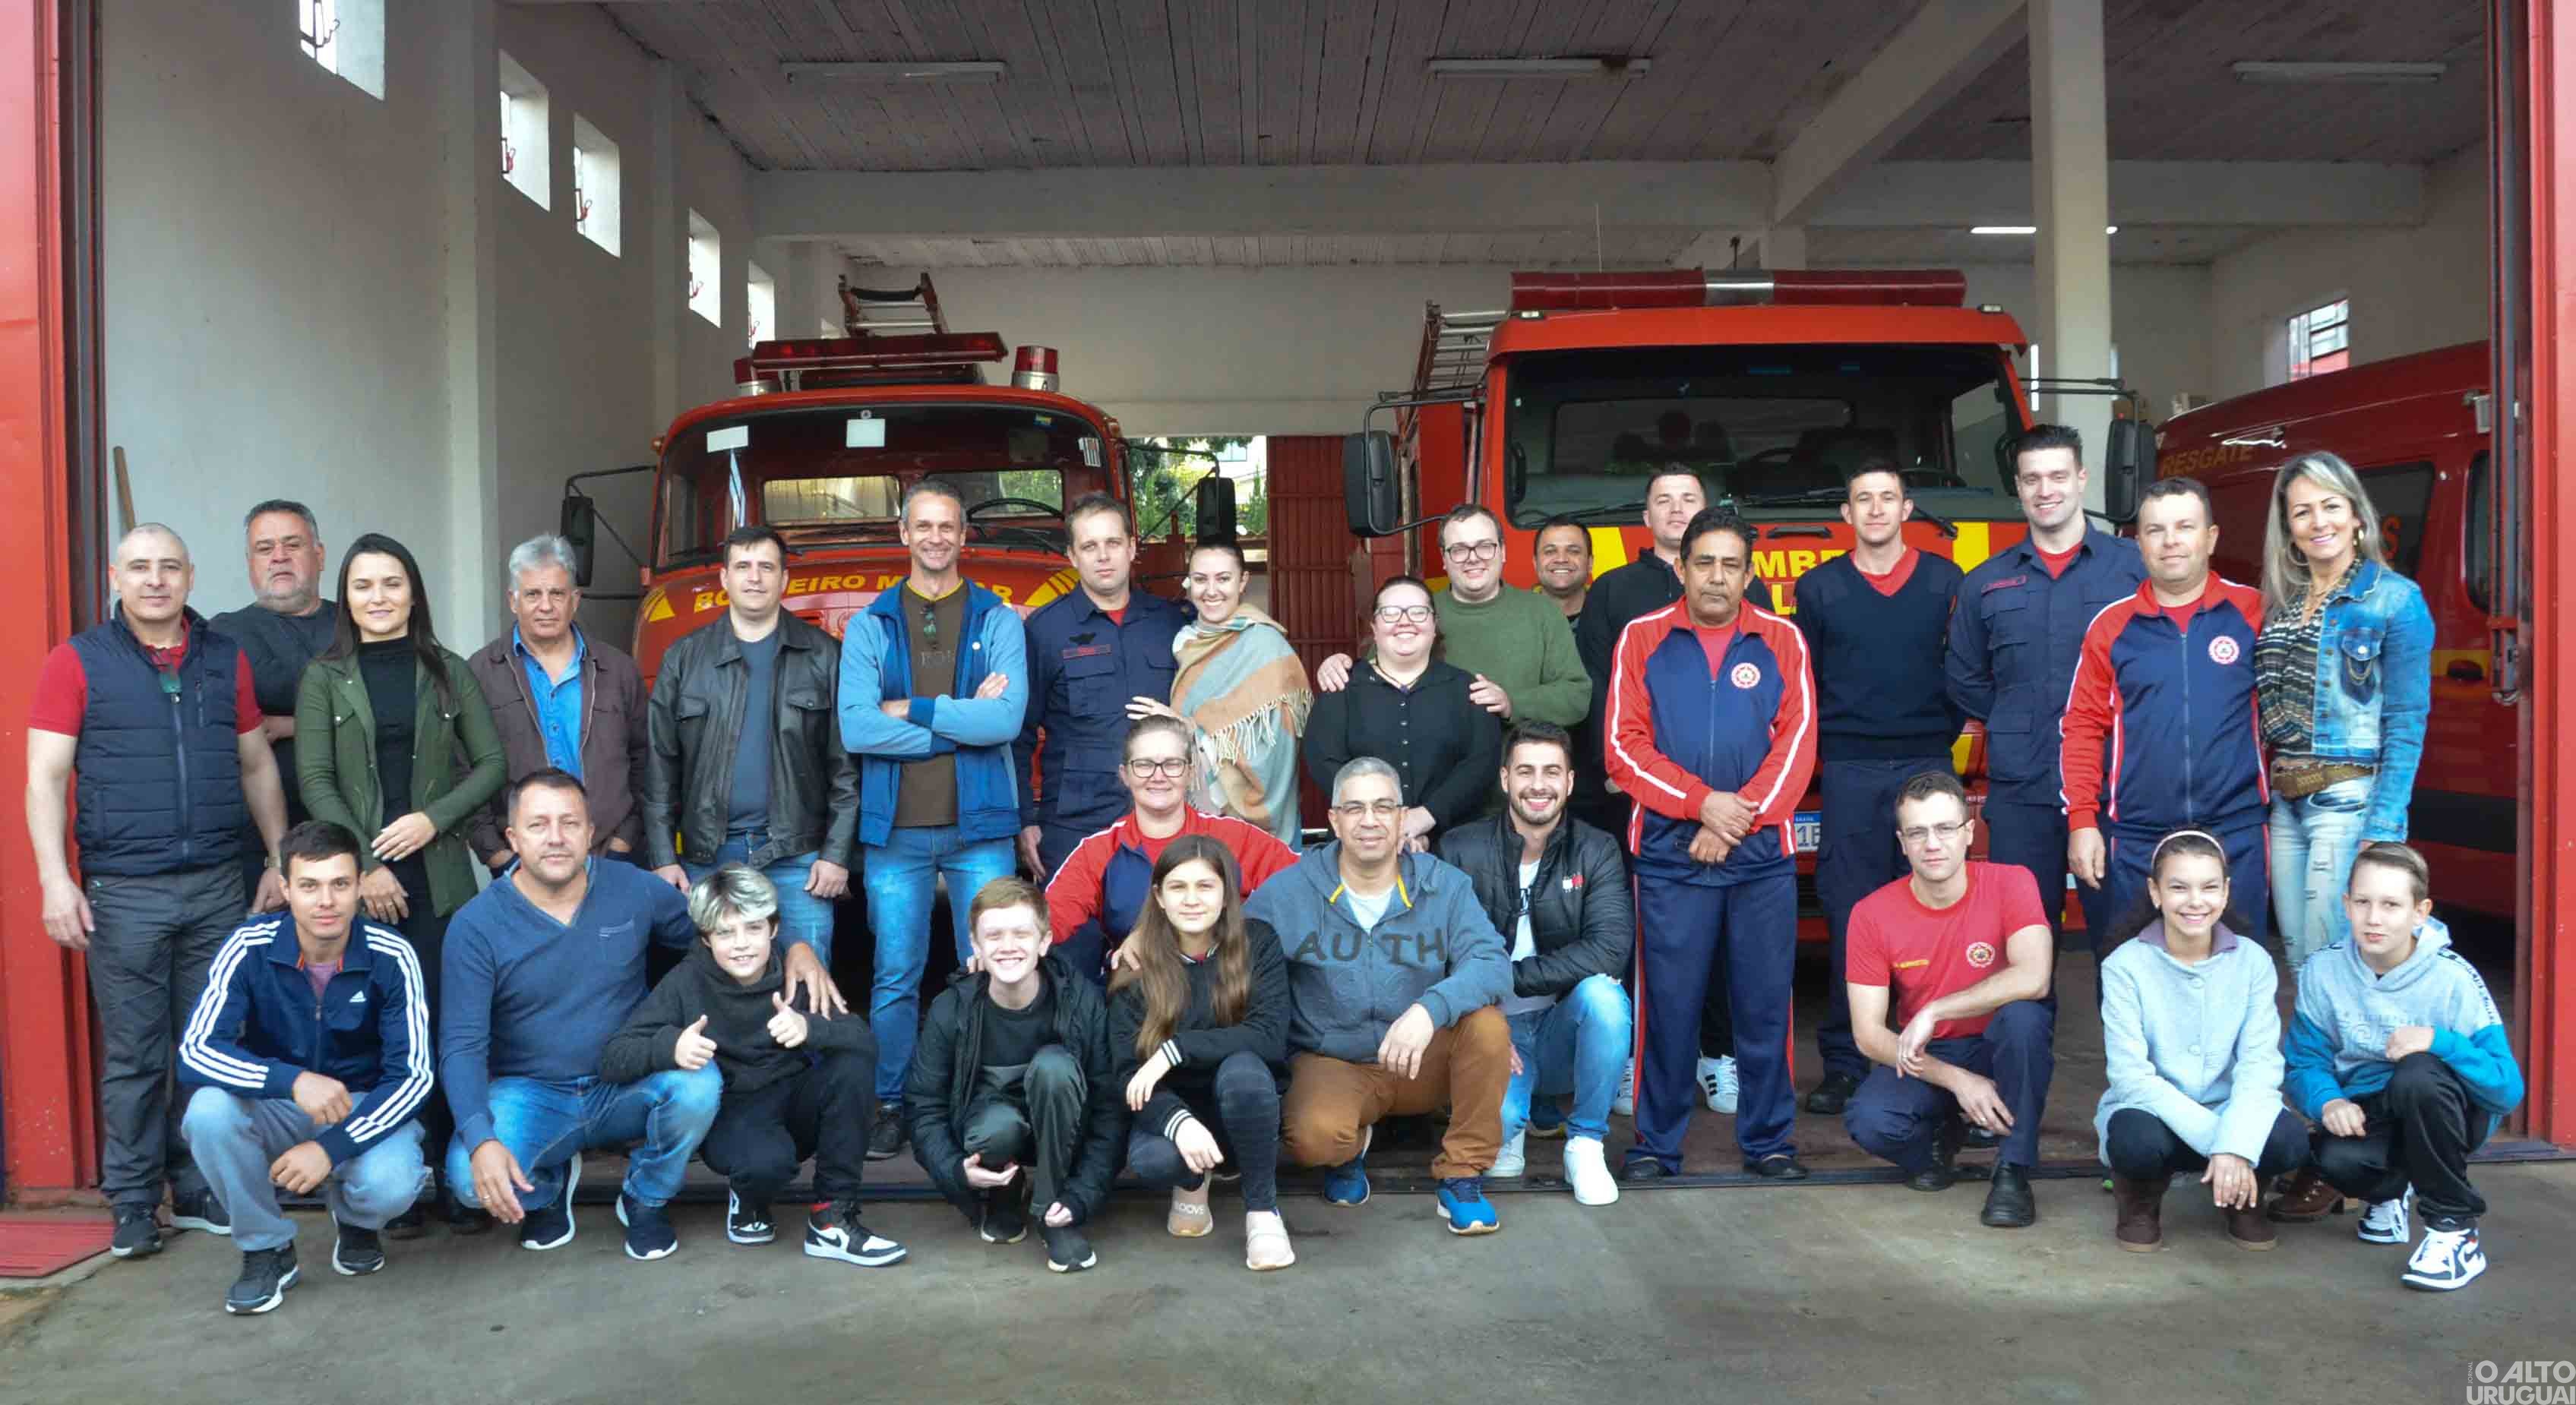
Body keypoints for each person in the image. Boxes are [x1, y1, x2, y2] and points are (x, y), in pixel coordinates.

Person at [441, 769, 842, 1263]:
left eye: (570, 823)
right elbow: (461, 1045)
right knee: (468, 1180)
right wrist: (481, 1140)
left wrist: (795, 947)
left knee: (698, 1085)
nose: (556, 837)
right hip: (533, 1091)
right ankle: (546, 1189)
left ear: (591, 832)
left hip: (627, 1079)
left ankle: (645, 1196)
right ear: (512, 838)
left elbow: (720, 931)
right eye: (538, 825)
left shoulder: (632, 888)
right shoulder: (476, 925)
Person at [27, 523, 290, 1258]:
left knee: (208, 1046)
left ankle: (198, 1185)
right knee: (137, 1055)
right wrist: (55, 879)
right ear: (116, 578)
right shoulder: (78, 660)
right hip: (124, 890)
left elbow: (255, 763)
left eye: (169, 566)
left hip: (215, 883)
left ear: (190, 575)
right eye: (139, 567)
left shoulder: (223, 657)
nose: (155, 579)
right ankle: (136, 1201)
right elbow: (44, 775)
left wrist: (277, 858)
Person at [296, 532, 506, 1230]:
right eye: (363, 585)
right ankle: (398, 1181)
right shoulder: (324, 677)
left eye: (391, 583)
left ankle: (451, 1174)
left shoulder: (447, 670)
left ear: (413, 593)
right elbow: (315, 780)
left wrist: (432, 820)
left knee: (445, 1027)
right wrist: (366, 866)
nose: (378, 597)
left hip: (439, 880)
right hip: (358, 886)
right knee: (376, 1034)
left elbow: (492, 765)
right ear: (346, 597)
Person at [1604, 507, 1815, 1182]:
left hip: (1760, 862)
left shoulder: (1782, 639)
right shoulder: (1641, 637)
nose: (1716, 578)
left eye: (1730, 565)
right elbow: (1622, 748)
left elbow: (1797, 747)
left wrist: (1729, 824)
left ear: (1749, 575)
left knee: (1763, 1008)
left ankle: (1769, 1142)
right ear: (1681, 568)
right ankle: (1654, 1146)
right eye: (1704, 563)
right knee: (1668, 1010)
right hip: (1669, 858)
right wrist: (1701, 805)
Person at [839, 478, 1029, 1161]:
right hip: (895, 830)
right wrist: (958, 724)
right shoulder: (870, 623)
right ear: (903, 533)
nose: (936, 537)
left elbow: (1005, 720)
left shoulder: (998, 619)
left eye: (947, 525)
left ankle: (979, 1100)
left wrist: (914, 709)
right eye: (923, 525)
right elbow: (858, 728)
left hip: (980, 829)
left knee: (989, 969)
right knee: (895, 975)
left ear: (963, 535)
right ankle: (893, 1102)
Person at [1573, 470, 1774, 1113]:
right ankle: (1645, 1066)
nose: (1676, 508)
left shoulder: (1755, 598)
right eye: (1663, 500)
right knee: (1655, 946)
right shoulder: (1616, 592)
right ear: (1647, 517)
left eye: (1688, 499)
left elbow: (1776, 717)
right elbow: (1601, 688)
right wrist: (1619, 768)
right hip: (1645, 803)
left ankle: (1719, 1057)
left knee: (1733, 955)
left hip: (1739, 815)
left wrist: (1728, 813)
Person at [1247, 757, 1514, 1235]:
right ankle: (1349, 1150)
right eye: (1354, 808)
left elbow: (1492, 962)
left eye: (1383, 807)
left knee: (1488, 1027)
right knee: (1313, 1139)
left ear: (1401, 817)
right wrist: (1150, 940)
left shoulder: (1443, 884)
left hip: (1421, 1058)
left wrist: (1430, 1009)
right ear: (1334, 820)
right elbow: (1231, 951)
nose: (1369, 820)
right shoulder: (1289, 891)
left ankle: (1462, 1174)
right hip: (1334, 1060)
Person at [175, 821, 431, 1313]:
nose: (326, 901)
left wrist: (328, 1149)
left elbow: (414, 1077)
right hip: (279, 1103)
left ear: (360, 886)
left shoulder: (392, 954)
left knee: (392, 1182)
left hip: (358, 1105)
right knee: (208, 1112)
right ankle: (266, 1248)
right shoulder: (249, 946)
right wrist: (290, 1080)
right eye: (310, 886)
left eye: (340, 884)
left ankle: (357, 1222)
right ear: (286, 888)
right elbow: (197, 1050)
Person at [599, 864, 901, 1268]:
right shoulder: (686, 982)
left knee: (850, 1061)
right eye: (725, 933)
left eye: (753, 928)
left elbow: (862, 1040)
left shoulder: (794, 973)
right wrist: (671, 1046)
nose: (741, 944)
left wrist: (809, 1027)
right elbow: (615, 1057)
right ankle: (749, 1196)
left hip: (792, 1100)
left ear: (773, 929)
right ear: (706, 939)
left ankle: (832, 1218)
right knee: (767, 1165)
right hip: (733, 1114)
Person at [1792, 457, 1965, 1117]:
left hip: (1927, 764)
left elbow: (1962, 670)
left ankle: (1938, 1062)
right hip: (1850, 769)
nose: (1874, 509)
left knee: (1939, 913)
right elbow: (1806, 682)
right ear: (1846, 513)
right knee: (1852, 916)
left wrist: (1937, 734)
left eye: (1886, 498)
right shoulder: (1819, 588)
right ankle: (1843, 1064)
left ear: (1906, 509)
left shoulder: (1945, 580)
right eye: (1861, 499)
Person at [2268, 843, 2523, 1292]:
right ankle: (2389, 1194)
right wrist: (2328, 1101)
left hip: (2447, 1112)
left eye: (2391, 905)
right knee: (2334, 1159)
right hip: (2373, 1110)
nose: (2374, 918)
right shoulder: (2323, 971)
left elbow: (2507, 1089)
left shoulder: (2454, 979)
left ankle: (2455, 1230)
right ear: (2345, 904)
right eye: (2363, 902)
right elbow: (2305, 1061)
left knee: (2418, 1072)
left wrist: (2440, 1042)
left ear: (2420, 912)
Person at [1945, 425, 2148, 954]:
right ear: (2018, 487)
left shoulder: (2133, 569)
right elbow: (1963, 676)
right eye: (2032, 479)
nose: (2045, 490)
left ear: (2081, 478)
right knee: (2022, 947)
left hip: (2114, 789)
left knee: (2126, 946)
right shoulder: (1985, 581)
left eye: (2057, 476)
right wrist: (2016, 717)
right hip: (2021, 792)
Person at [2060, 476, 2271, 969]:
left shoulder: (2254, 612)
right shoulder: (2110, 627)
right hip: (2137, 838)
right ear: (2139, 543)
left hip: (2235, 832)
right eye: (2155, 530)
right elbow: (2082, 727)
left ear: (2211, 538)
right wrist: (2082, 822)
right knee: (2129, 976)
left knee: (2239, 975)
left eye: (2184, 527)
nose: (2170, 541)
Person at [1841, 771, 2056, 1227]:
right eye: (1917, 833)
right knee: (1871, 1120)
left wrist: (1936, 1009)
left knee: (2025, 1019)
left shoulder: (2012, 882)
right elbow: (1868, 1036)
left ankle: (2013, 1171)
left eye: (1944, 828)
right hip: (1933, 1053)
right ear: (1902, 843)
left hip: (2000, 1044)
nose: (1932, 844)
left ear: (1969, 832)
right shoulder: (1871, 914)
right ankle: (1941, 1140)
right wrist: (1959, 1081)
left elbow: (2035, 977)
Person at [1435, 721, 1632, 1207]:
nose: (1538, 785)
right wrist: (1482, 1018)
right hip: (1489, 1026)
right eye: (1525, 771)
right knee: (1498, 1135)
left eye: (1551, 772)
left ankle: (1585, 1143)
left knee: (1605, 996)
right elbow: (1436, 953)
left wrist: (1503, 979)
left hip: (1561, 1025)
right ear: (1505, 779)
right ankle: (1514, 1122)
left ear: (1570, 781)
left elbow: (1609, 948)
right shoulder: (1460, 848)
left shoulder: (1596, 848)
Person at [2252, 453, 2436, 969]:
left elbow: (2405, 721)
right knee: (2300, 962)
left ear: (2356, 515)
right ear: (2288, 529)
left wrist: (2384, 824)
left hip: (2346, 801)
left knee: (2329, 959)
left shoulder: (2395, 599)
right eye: (2302, 512)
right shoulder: (2282, 602)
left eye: (2330, 506)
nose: (2319, 522)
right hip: (2285, 803)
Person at [643, 524, 858, 966]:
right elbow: (660, 765)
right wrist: (664, 857)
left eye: (766, 567)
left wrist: (836, 855)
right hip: (707, 856)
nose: (754, 578)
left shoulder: (824, 656)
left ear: (784, 579)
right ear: (725, 578)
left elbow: (847, 767)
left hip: (798, 857)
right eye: (743, 567)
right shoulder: (684, 657)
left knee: (807, 983)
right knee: (713, 986)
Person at [2094, 829, 2309, 1253]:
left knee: (2289, 1140)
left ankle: (2243, 1201)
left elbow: (2259, 1066)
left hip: (2229, 1106)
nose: (2196, 901)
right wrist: (2227, 1146)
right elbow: (2131, 1078)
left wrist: (2237, 1139)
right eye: (2179, 887)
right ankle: (2140, 1202)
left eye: (2209, 887)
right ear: (2155, 892)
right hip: (2154, 1112)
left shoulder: (2253, 961)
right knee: (2134, 1139)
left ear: (2226, 892)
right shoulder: (2124, 965)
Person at [906, 877, 1126, 1274]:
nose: (1008, 946)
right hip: (992, 1132)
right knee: (997, 1125)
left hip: (1066, 1136)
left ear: (1045, 941)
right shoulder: (952, 1008)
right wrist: (955, 1169)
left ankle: (1051, 1209)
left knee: (1055, 1068)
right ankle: (1004, 1187)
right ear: (975, 945)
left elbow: (1111, 1106)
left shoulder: (1081, 1002)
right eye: (994, 936)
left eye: (1022, 934)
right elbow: (924, 1105)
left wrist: (1080, 1196)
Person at [1106, 835, 1295, 1270]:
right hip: (1175, 1113)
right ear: (1159, 897)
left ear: (1227, 894)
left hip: (1245, 1105)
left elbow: (1268, 1036)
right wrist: (1179, 1122)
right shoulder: (1136, 966)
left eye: (1205, 886)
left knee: (1244, 1071)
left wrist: (1175, 1049)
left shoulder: (1258, 942)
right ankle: (1193, 1180)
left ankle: (1263, 1211)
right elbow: (1126, 1074)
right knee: (1153, 1160)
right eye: (1178, 887)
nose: (1192, 899)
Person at [1015, 493, 1190, 880]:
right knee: (1071, 921)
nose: (1103, 556)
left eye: (1113, 543)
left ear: (1132, 548)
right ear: (1072, 556)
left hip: (1162, 814)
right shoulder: (1045, 630)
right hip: (1074, 823)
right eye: (1089, 546)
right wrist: (1025, 819)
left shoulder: (1172, 625)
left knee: (1163, 921)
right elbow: (1020, 735)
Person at [1045, 715, 1298, 983]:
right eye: (1144, 765)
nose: (1158, 776)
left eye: (1172, 764)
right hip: (1138, 990)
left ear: (1190, 773)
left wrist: (1231, 925)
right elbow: (1048, 922)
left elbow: (1304, 887)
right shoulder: (1099, 850)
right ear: (1125, 775)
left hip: (1226, 986)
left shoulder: (1234, 837)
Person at [1314, 505, 1591, 737]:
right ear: (1444, 559)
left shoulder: (1541, 612)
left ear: (1503, 552)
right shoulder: (1416, 614)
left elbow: (1577, 696)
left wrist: (1511, 704)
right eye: (1459, 550)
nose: (1473, 559)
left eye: (1485, 547)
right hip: (1434, 782)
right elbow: (1374, 684)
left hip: (1521, 781)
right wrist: (1341, 667)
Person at [466, 534, 651, 872]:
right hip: (522, 864)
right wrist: (498, 857)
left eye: (557, 594)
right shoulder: (479, 673)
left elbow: (646, 763)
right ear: (512, 600)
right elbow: (463, 770)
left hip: (610, 856)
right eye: (532, 594)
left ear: (575, 600)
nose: (546, 606)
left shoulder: (618, 670)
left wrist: (624, 843)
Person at [1302, 576, 1501, 850]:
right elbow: (1324, 760)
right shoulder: (1342, 687)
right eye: (1390, 612)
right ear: (1374, 627)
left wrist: (1426, 817)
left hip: (1453, 845)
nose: (1404, 621)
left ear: (1434, 625)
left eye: (1418, 612)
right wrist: (1383, 819)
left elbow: (1481, 763)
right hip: (1361, 841)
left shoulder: (1467, 689)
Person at [212, 500, 336, 903]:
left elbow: (388, 711)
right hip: (258, 846)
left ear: (319, 556)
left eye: (292, 544)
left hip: (357, 837)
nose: (279, 557)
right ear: (250, 563)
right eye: (265, 548)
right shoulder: (222, 636)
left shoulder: (357, 624)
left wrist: (289, 725)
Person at [1160, 539, 1310, 846]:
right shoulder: (1184, 643)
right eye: (1200, 579)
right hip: (1194, 811)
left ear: (1243, 582)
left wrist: (1193, 734)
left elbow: (1278, 752)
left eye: (1223, 579)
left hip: (1263, 823)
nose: (1211, 590)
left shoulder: (1266, 646)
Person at [1532, 516, 1593, 624]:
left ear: (1590, 563)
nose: (1561, 559)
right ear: (1535, 563)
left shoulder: (1613, 611)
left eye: (1573, 551)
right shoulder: (1512, 614)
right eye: (1550, 551)